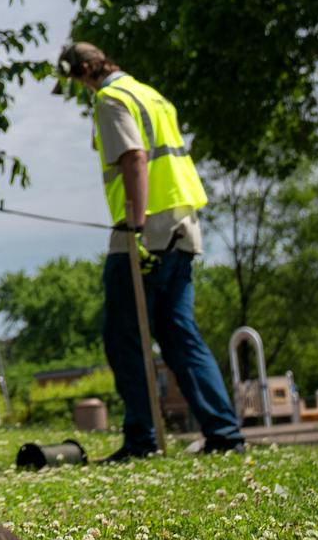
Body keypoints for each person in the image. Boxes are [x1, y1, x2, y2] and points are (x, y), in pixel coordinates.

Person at [56, 41, 244, 461]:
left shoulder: (110, 99)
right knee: (179, 333)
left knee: (123, 335)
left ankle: (142, 439)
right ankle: (225, 434)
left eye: (76, 80)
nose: (80, 89)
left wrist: (135, 226)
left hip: (147, 230)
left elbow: (135, 159)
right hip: (183, 224)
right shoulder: (149, 93)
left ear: (85, 69)